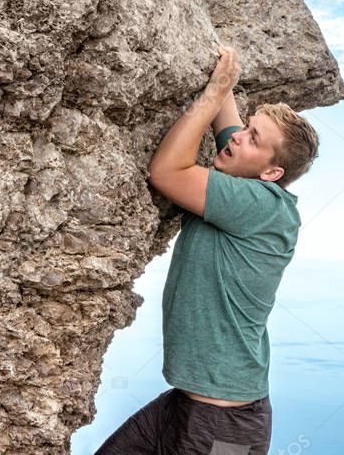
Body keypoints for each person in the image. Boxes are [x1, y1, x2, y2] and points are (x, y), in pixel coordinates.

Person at [95, 45, 320, 454]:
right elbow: (229, 122)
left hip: (227, 425)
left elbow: (166, 171)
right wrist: (218, 57)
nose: (238, 138)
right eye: (248, 127)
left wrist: (213, 94)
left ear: (272, 173)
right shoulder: (247, 173)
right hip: (186, 404)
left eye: (253, 139)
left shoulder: (261, 205)